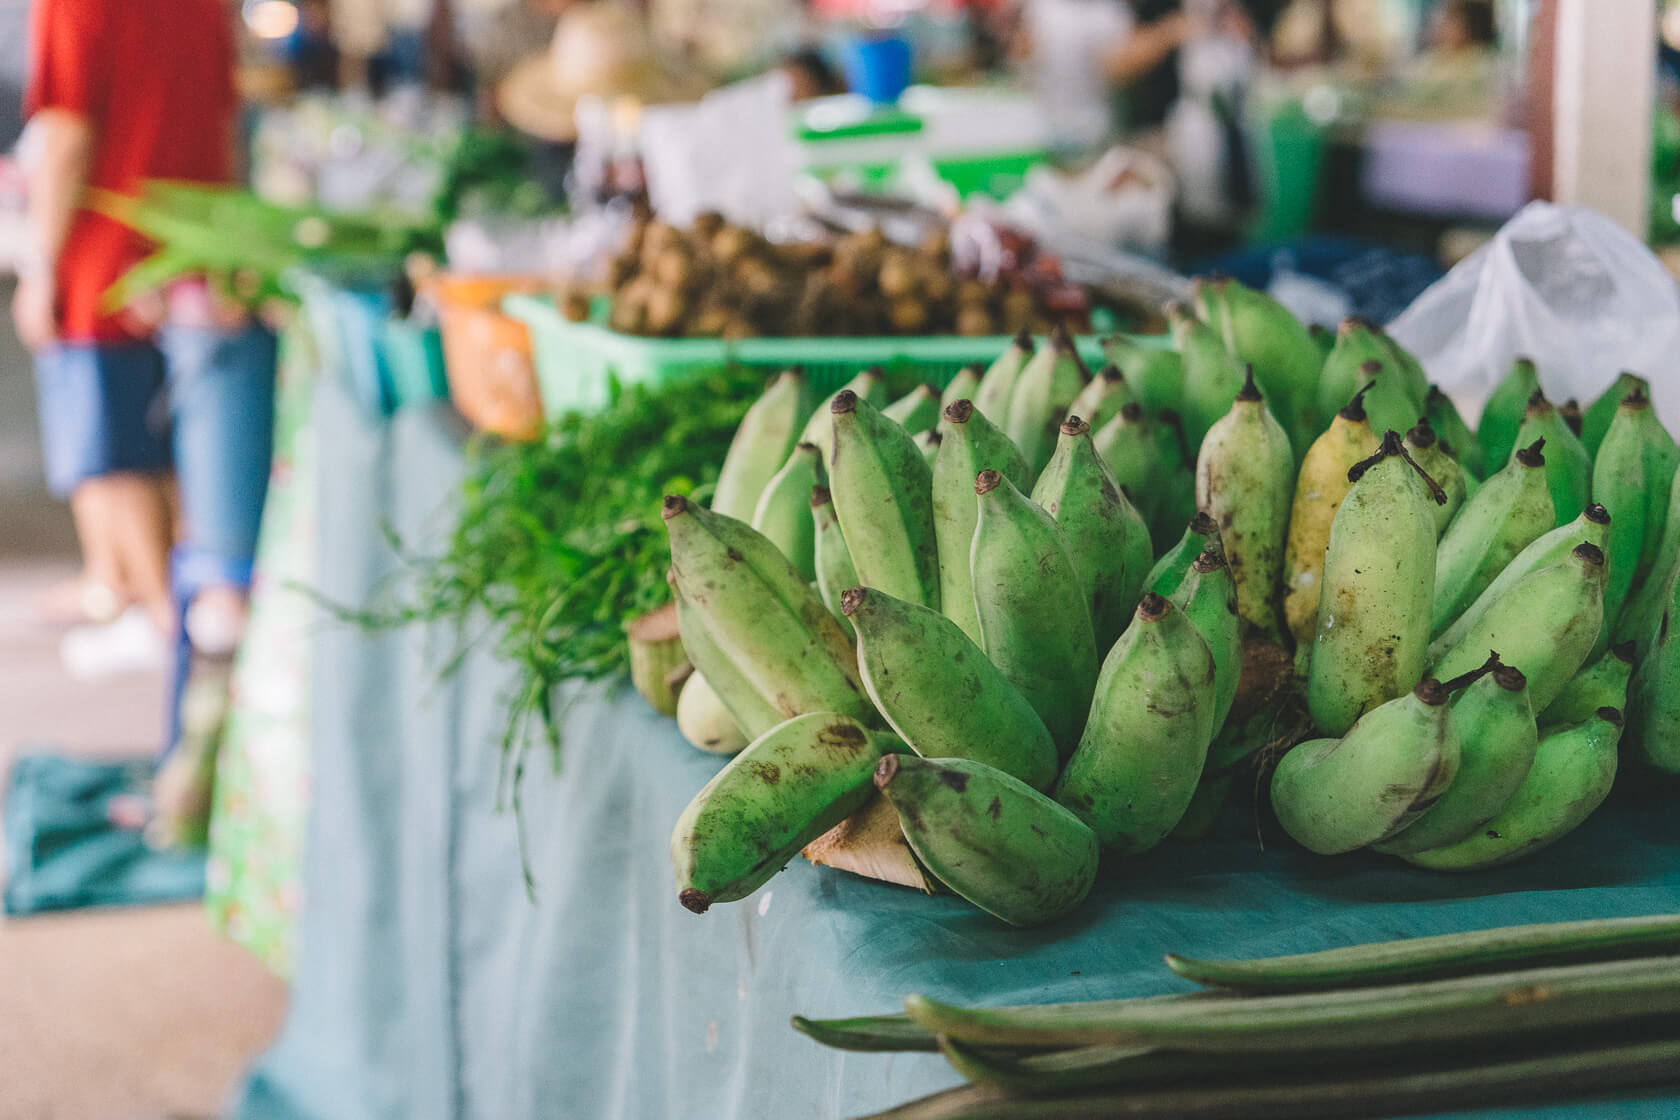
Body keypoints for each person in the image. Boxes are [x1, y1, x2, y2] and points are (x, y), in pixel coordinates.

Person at [16, 0, 278, 843]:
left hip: (105, 272)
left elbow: (64, 138)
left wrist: (37, 267)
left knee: (136, 529)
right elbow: (227, 123)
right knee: (202, 539)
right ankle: (190, 762)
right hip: (197, 272)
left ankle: (188, 769)